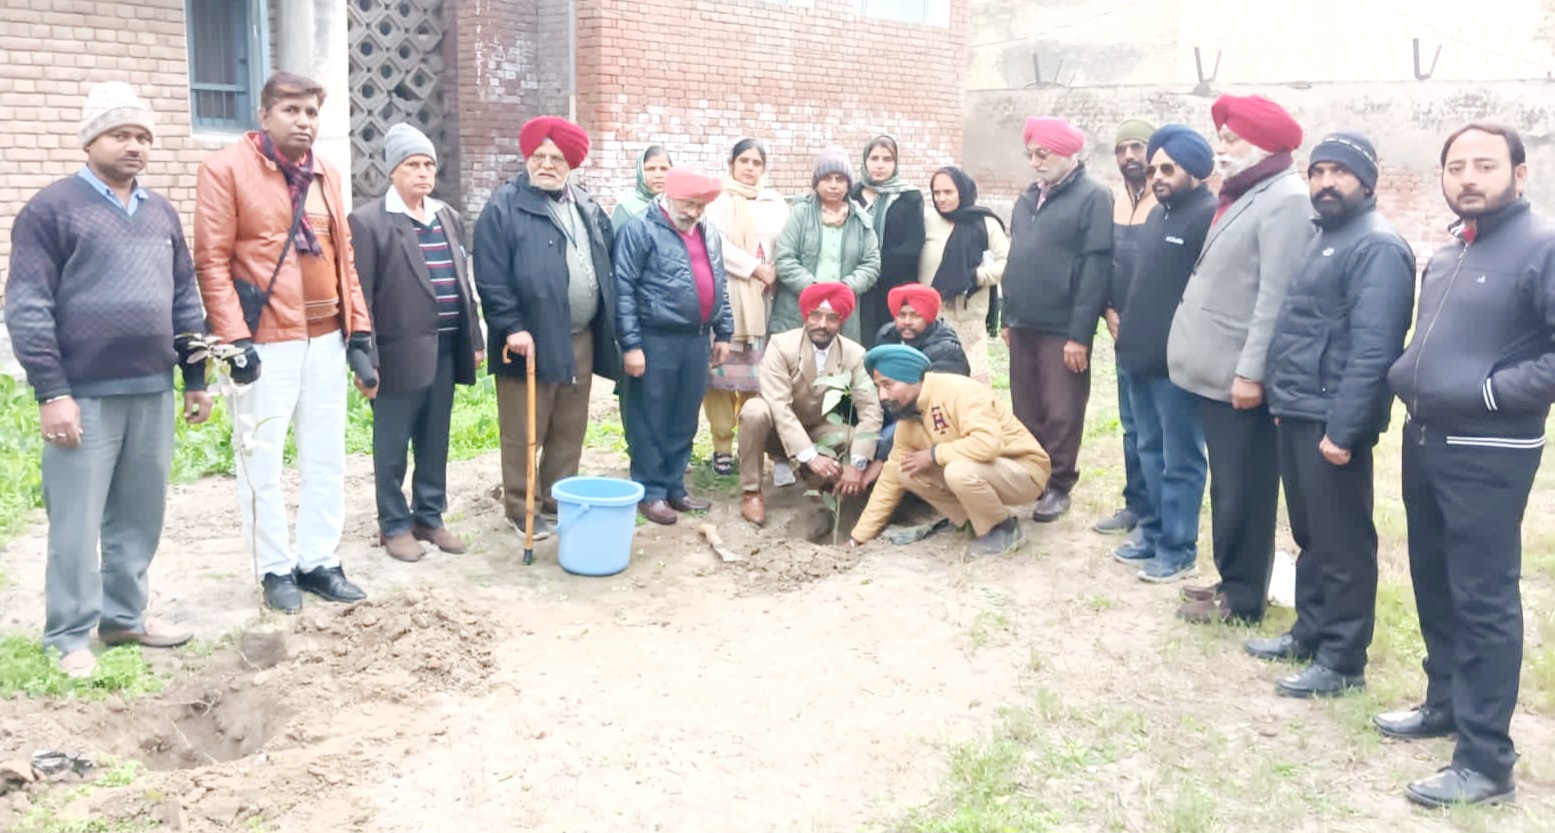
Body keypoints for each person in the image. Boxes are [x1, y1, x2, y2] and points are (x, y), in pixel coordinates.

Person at [5, 82, 207, 677]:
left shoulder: (161, 212)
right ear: (91, 140)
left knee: (140, 514)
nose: (135, 146)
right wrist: (52, 391)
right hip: (83, 396)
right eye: (121, 134)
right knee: (76, 519)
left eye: (143, 136)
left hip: (152, 389)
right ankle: (68, 634)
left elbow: (184, 296)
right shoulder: (51, 211)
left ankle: (124, 618)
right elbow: (28, 307)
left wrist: (195, 376)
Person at [1380, 122, 1555, 808]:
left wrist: (1488, 393)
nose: (1468, 178)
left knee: (1483, 598)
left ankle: (1485, 760)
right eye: (1456, 166)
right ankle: (1445, 703)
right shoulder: (1453, 248)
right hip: (1425, 437)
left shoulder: (1541, 246)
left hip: (1490, 449)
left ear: (1519, 173)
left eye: (1485, 165)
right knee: (1434, 577)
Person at [194, 72, 375, 613]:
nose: (303, 121)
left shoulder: (326, 173)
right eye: (291, 110)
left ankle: (319, 560)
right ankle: (273, 569)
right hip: (264, 342)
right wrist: (234, 339)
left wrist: (359, 331)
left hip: (326, 340)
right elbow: (212, 262)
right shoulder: (225, 169)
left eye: (312, 112)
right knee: (261, 463)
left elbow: (344, 258)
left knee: (326, 458)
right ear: (264, 115)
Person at [1249, 131, 1417, 698]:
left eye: (1339, 172)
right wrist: (1282, 400)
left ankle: (1343, 659)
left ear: (1366, 181)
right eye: (1317, 172)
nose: (1325, 183)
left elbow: (1374, 350)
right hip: (1300, 407)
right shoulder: (1324, 236)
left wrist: (1344, 430)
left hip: (1333, 420)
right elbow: (1300, 326)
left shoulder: (1378, 247)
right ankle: (1311, 630)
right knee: (1310, 534)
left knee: (1342, 541)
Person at [1167, 94, 1314, 625]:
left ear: (1263, 145)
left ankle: (1245, 597)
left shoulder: (1287, 199)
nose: (1221, 148)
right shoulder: (1248, 192)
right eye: (1222, 137)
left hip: (1239, 376)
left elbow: (1275, 297)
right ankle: (1232, 579)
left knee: (1246, 487)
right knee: (1229, 484)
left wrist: (1251, 372)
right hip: (1217, 371)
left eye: (1231, 139)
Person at [474, 116, 619, 544]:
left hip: (581, 337)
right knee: (525, 430)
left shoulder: (586, 205)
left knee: (569, 428)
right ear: (527, 158)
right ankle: (522, 508)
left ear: (571, 163)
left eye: (557, 158)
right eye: (539, 156)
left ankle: (558, 499)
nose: (547, 164)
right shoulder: (503, 206)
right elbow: (490, 275)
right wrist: (511, 326)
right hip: (529, 341)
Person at [348, 123, 484, 563]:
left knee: (435, 438)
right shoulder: (369, 222)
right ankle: (393, 524)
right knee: (392, 446)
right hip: (396, 355)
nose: (423, 173)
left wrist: (474, 338)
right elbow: (361, 296)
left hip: (444, 350)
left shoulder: (446, 216)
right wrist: (364, 356)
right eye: (412, 165)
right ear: (393, 171)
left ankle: (429, 515)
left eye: (428, 164)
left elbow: (462, 282)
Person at [1111, 124, 1215, 583]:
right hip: (1138, 356)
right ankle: (1152, 531)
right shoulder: (1157, 216)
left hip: (1178, 366)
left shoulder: (1209, 217)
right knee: (1149, 449)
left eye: (1168, 169)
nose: (1157, 177)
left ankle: (1178, 548)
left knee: (1180, 459)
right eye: (1154, 169)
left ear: (1194, 169)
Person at [1000, 116, 1114, 522]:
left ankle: (1059, 483)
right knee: (1026, 406)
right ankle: (1031, 476)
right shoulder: (1028, 197)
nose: (1035, 162)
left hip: (1062, 327)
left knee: (1062, 409)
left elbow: (1096, 270)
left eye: (1043, 153)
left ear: (1067, 153)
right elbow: (1016, 259)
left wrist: (1079, 334)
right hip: (1023, 322)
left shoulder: (1094, 196)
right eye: (1030, 154)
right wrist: (1007, 316)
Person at [848, 345, 1051, 557]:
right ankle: (972, 522)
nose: (881, 396)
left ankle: (1001, 529)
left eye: (887, 385)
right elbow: (890, 478)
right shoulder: (909, 416)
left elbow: (987, 444)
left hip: (1024, 472)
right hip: (982, 472)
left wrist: (934, 455)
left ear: (910, 379)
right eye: (878, 387)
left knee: (957, 471)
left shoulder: (960, 391)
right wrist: (858, 537)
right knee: (906, 470)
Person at [615, 168, 734, 525]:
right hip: (655, 338)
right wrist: (631, 345)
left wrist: (723, 332)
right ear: (670, 197)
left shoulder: (708, 232)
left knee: (685, 415)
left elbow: (719, 283)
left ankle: (673, 485)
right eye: (689, 204)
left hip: (696, 339)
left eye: (701, 205)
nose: (695, 212)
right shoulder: (640, 229)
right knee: (650, 415)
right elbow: (624, 288)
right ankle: (650, 491)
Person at [737, 283, 882, 526]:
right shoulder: (781, 345)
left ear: (842, 321)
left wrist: (857, 463)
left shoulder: (854, 354)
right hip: (775, 427)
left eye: (832, 318)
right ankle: (751, 492)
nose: (822, 324)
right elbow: (779, 405)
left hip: (817, 426)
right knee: (754, 412)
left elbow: (870, 409)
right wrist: (810, 456)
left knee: (849, 436)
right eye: (816, 315)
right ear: (806, 315)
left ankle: (816, 479)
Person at [702, 138, 790, 477]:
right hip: (729, 296)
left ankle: (750, 445)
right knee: (721, 377)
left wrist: (774, 271)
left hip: (765, 299)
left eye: (757, 163)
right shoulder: (717, 200)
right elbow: (716, 243)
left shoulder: (775, 202)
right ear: (732, 164)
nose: (750, 168)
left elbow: (786, 243)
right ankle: (722, 446)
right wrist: (755, 268)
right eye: (744, 161)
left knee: (756, 378)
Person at [1095, 117, 1158, 537]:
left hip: (1160, 335)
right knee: (1131, 424)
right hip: (1122, 332)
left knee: (1158, 428)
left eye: (1137, 147)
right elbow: (1105, 262)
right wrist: (1107, 309)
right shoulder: (1115, 202)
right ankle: (1136, 504)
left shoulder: (1167, 201)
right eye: (1121, 149)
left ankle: (1159, 512)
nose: (1129, 156)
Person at [773, 147, 881, 345]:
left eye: (840, 179)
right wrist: (814, 291)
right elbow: (784, 258)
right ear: (816, 183)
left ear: (848, 184)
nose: (833, 185)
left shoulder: (860, 219)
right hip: (797, 312)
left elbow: (871, 265)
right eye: (827, 178)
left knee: (838, 362)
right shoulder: (801, 214)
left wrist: (845, 289)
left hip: (842, 314)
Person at [917, 166, 1007, 385]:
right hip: (931, 315)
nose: (941, 198)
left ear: (962, 191)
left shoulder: (985, 223)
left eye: (948, 192)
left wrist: (975, 277)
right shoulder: (927, 221)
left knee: (971, 384)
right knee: (934, 382)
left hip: (969, 318)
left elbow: (1007, 263)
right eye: (936, 193)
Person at [871, 284, 971, 465]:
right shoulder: (887, 337)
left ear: (929, 317)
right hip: (890, 407)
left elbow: (934, 405)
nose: (907, 322)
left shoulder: (946, 350)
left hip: (927, 418)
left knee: (886, 441)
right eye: (901, 315)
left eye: (915, 315)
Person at [851, 135, 926, 348]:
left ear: (895, 163)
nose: (880, 165)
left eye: (887, 159)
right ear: (865, 161)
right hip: (856, 284)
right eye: (874, 158)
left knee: (886, 344)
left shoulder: (909, 197)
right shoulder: (851, 194)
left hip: (892, 287)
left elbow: (913, 245)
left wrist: (873, 269)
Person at [610, 145, 672, 231]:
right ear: (641, 172)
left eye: (664, 169)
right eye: (651, 169)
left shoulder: (678, 206)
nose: (658, 175)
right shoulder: (626, 208)